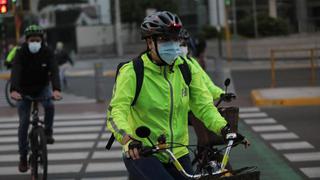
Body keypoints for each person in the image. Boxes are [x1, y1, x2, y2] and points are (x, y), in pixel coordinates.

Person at [106, 11, 241, 180]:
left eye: (175, 39)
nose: (172, 44)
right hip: (143, 152)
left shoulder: (186, 68)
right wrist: (128, 139)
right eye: (164, 40)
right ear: (149, 42)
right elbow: (115, 111)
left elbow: (203, 106)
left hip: (178, 152)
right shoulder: (133, 72)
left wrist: (224, 128)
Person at [10, 24, 62, 173]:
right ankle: (23, 156)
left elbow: (54, 70)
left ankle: (48, 132)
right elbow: (16, 71)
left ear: (42, 40)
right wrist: (14, 90)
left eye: (37, 40)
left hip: (42, 88)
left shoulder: (47, 52)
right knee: (24, 122)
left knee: (50, 105)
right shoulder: (20, 53)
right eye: (31, 40)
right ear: (26, 41)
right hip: (23, 91)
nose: (34, 43)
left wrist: (57, 89)